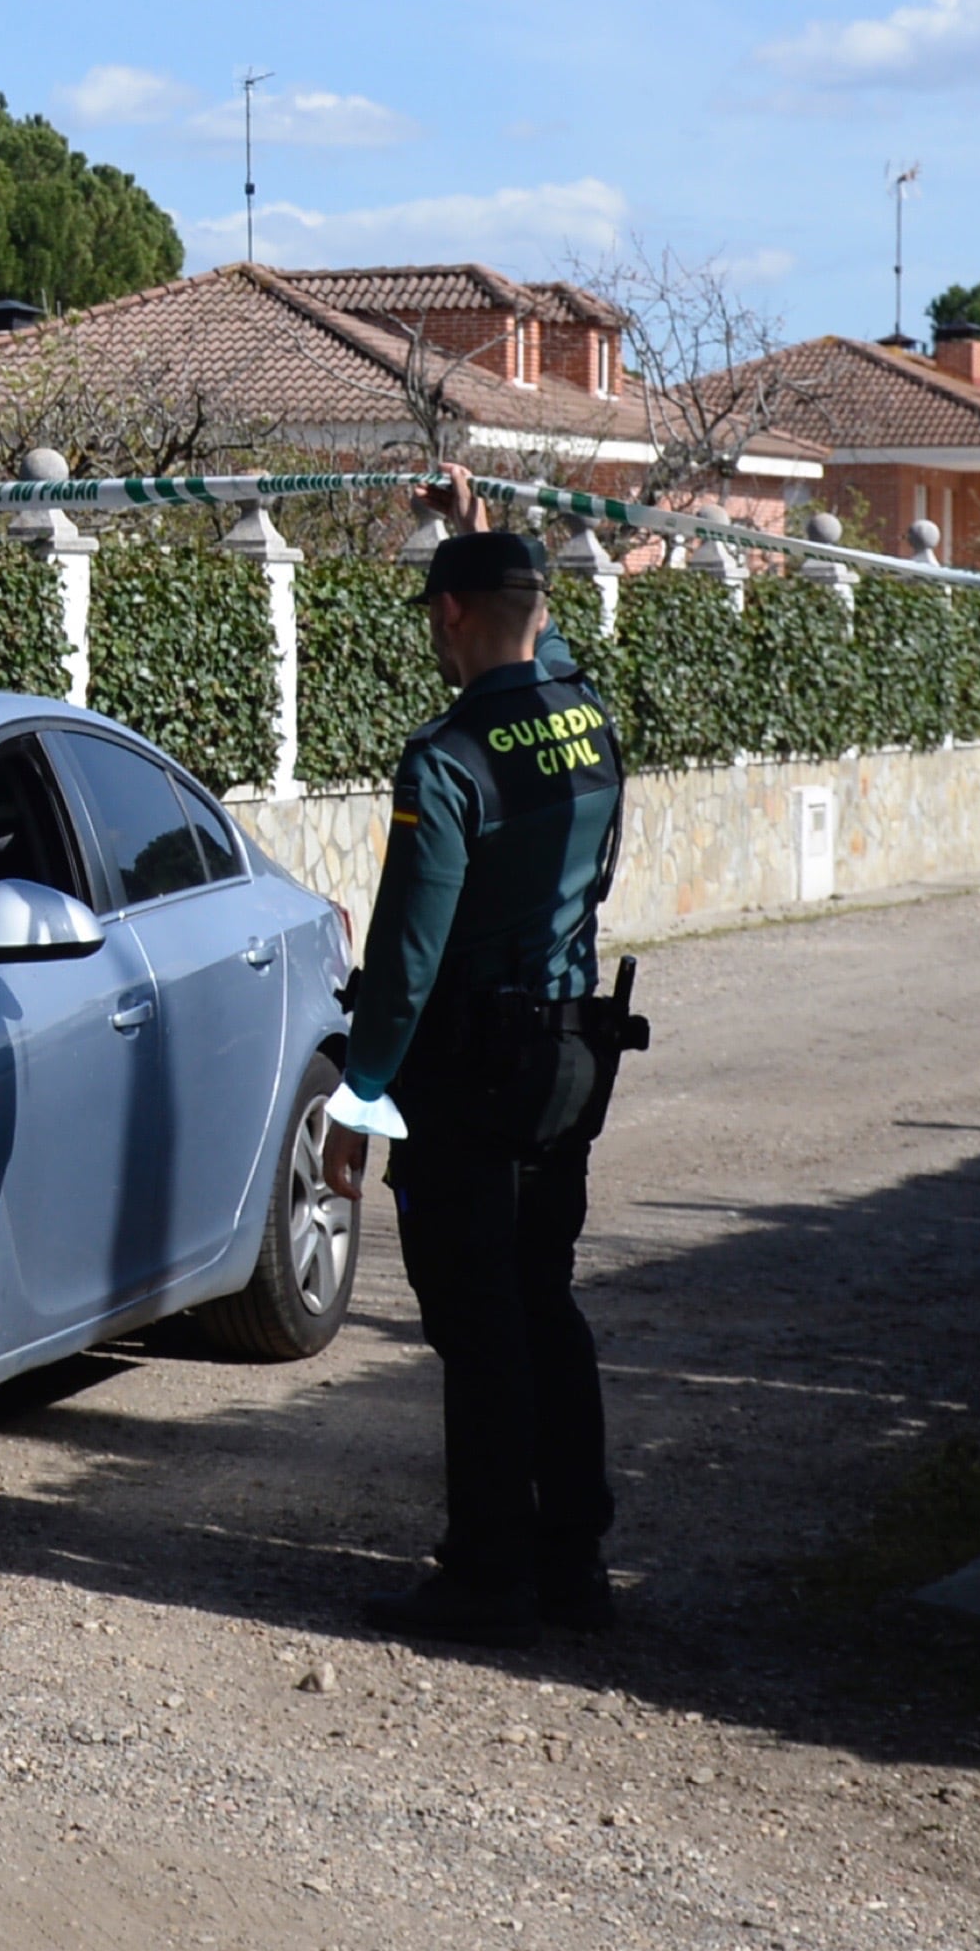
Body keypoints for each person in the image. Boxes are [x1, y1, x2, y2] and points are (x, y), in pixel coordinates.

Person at [319, 522, 632, 1644]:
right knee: (543, 1297)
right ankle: (571, 1561)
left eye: (435, 621)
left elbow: (405, 954)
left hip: (469, 1075)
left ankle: (485, 1568)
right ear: (540, 606)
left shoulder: (445, 759)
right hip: (568, 1060)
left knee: (475, 1316)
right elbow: (533, 642)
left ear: (448, 613)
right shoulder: (586, 718)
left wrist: (358, 1097)